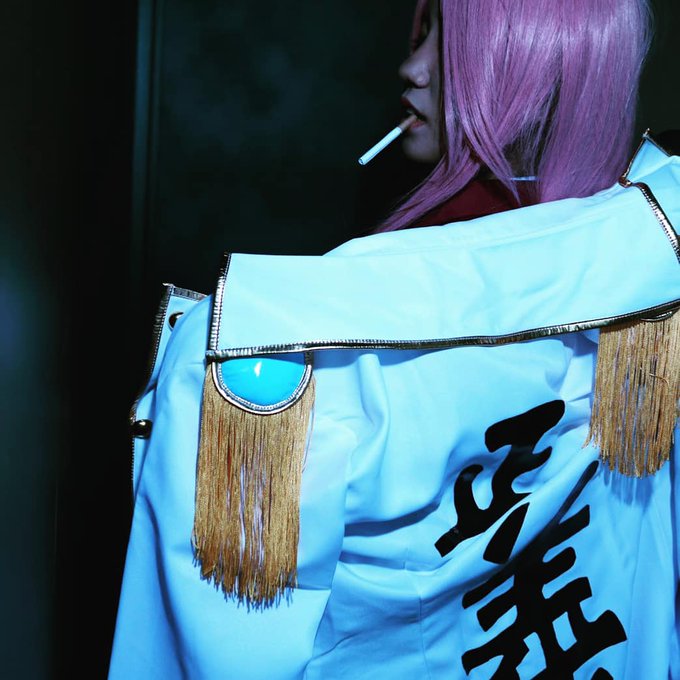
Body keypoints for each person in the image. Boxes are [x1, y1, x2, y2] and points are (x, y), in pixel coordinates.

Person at [109, 1, 679, 678]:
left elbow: (216, 648)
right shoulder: (651, 270)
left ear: (536, 61)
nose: (411, 68)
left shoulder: (289, 356)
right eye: (423, 32)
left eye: (449, 42)